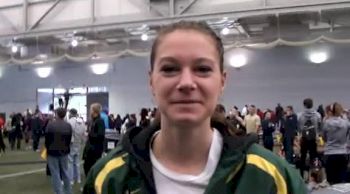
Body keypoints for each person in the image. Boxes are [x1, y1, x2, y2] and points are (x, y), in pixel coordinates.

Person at [83, 21, 306, 194]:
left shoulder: (273, 178)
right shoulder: (109, 178)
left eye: (202, 69)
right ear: (152, 81)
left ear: (222, 81)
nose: (187, 83)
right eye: (170, 69)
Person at [45, 108, 73, 194]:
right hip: (64, 152)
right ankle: (68, 191)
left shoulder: (50, 125)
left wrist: (48, 148)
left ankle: (59, 192)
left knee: (55, 174)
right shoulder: (68, 125)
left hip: (52, 152)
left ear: (56, 114)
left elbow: (47, 139)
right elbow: (69, 139)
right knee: (65, 172)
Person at [322, 102, 350, 185]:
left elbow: (324, 137)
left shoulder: (327, 123)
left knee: (331, 180)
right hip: (343, 152)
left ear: (331, 111)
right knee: (342, 180)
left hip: (330, 152)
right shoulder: (346, 123)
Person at [298, 98, 321, 178]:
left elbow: (299, 128)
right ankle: (313, 176)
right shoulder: (317, 115)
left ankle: (301, 175)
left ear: (304, 105)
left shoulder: (300, 115)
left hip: (304, 138)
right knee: (313, 157)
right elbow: (319, 127)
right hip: (313, 138)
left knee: (303, 157)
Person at [83, 103, 106, 176]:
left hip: (94, 150)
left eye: (91, 109)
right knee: (86, 166)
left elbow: (100, 135)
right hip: (90, 148)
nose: (90, 111)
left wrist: (89, 134)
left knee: (91, 168)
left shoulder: (100, 121)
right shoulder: (93, 121)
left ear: (94, 111)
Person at [67, 108, 86, 185]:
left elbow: (68, 133)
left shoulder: (70, 122)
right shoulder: (81, 122)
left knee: (70, 162)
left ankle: (71, 179)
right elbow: (84, 132)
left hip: (71, 143)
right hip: (78, 143)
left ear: (71, 113)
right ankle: (78, 178)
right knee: (77, 162)